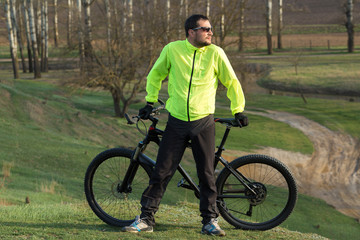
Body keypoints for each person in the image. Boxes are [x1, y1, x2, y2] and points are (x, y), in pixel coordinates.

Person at [122, 14, 248, 236]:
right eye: (205, 29)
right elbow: (155, 75)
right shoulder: (172, 50)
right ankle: (146, 219)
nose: (210, 32)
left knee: (206, 174)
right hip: (177, 121)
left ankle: (210, 221)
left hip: (203, 122)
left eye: (211, 29)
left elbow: (231, 82)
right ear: (191, 31)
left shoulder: (216, 53)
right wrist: (150, 101)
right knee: (161, 172)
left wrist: (238, 109)